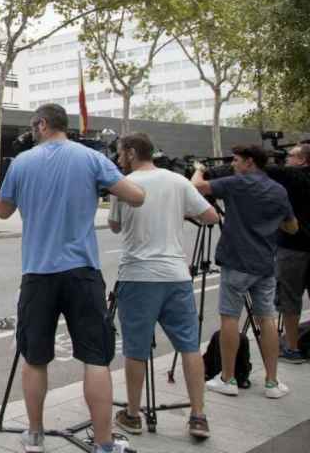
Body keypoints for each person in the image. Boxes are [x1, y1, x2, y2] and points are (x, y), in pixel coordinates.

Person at [0, 103, 145, 453]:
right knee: (96, 358)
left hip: (38, 273)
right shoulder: (91, 159)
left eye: (34, 126)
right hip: (83, 273)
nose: (33, 132)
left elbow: (2, 211)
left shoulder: (22, 162)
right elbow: (136, 197)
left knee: (35, 357)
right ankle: (105, 443)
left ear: (43, 124)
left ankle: (34, 435)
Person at [108, 133, 220, 440]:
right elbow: (210, 216)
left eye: (120, 152)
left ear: (131, 153)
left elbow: (115, 225)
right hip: (176, 276)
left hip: (138, 275)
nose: (118, 158)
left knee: (136, 348)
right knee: (188, 345)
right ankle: (198, 416)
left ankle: (132, 415)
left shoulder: (123, 184)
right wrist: (177, 211)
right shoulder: (178, 181)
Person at [191, 144, 299, 399]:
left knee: (230, 318)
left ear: (250, 162)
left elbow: (196, 188)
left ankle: (227, 378)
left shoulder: (237, 184)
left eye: (237, 160)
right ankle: (272, 382)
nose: (233, 165)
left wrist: (199, 169)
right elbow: (292, 227)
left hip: (237, 261)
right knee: (267, 319)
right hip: (265, 263)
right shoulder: (278, 190)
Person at [265, 143, 310, 363]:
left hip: (293, 248)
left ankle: (292, 348)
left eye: (291, 156)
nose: (288, 160)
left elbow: (264, 168)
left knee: (289, 298)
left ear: (302, 160)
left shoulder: (293, 177)